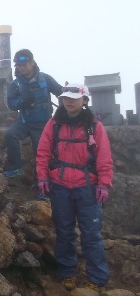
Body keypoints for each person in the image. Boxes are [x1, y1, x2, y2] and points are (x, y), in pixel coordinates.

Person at [36, 84, 113, 292]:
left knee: (92, 235)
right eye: (65, 98)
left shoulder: (94, 127)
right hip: (60, 187)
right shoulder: (54, 124)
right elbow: (43, 153)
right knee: (64, 233)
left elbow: (104, 158)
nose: (68, 101)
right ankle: (68, 272)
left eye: (73, 98)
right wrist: (42, 177)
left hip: (88, 188)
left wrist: (104, 184)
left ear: (84, 100)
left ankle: (96, 278)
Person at [4, 49, 63, 179]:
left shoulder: (45, 79)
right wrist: (23, 101)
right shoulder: (15, 85)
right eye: (18, 65)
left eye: (24, 64)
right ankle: (15, 168)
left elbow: (60, 92)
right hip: (24, 122)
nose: (21, 68)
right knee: (10, 135)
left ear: (32, 63)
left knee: (41, 153)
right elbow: (12, 105)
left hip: (43, 124)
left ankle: (43, 183)